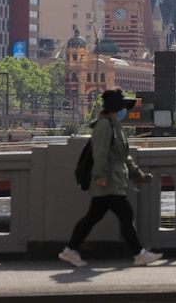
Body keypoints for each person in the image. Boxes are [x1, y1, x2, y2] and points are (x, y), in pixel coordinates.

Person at [59, 89, 162, 267]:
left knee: (92, 217)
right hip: (108, 181)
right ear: (116, 108)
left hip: (113, 180)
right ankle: (139, 253)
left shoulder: (114, 125)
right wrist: (100, 176)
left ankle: (70, 250)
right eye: (123, 107)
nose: (125, 111)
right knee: (125, 214)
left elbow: (122, 156)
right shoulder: (105, 125)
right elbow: (101, 153)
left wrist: (136, 172)